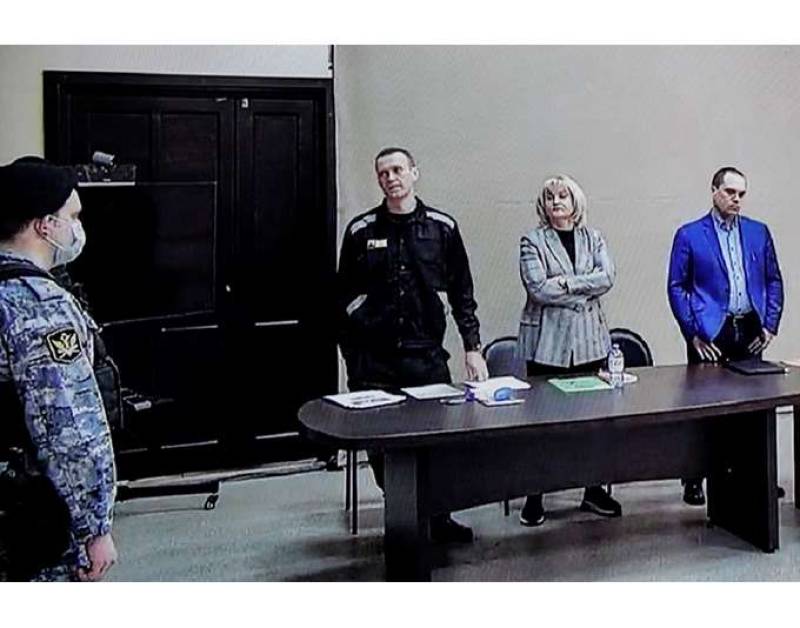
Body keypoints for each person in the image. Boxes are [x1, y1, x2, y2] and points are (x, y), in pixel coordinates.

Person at [337, 147, 489, 543]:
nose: (391, 178)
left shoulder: (442, 228)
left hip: (425, 357)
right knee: (382, 447)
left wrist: (473, 346)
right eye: (383, 173)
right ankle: (403, 518)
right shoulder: (360, 231)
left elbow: (462, 292)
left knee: (435, 442)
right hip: (375, 362)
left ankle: (438, 517)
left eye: (398, 170)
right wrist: (352, 357)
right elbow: (342, 300)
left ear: (414, 173)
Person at [0, 157, 117, 581]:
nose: (77, 228)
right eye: (73, 217)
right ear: (44, 225)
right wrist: (94, 526)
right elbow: (68, 426)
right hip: (29, 520)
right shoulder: (39, 306)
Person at [667, 166, 784, 506]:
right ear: (714, 191)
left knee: (753, 409)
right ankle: (694, 479)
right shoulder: (690, 235)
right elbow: (677, 286)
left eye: (742, 194)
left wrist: (770, 325)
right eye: (730, 192)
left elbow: (773, 279)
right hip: (710, 333)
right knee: (705, 407)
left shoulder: (758, 232)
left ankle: (756, 477)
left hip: (749, 328)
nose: (736, 199)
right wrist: (693, 333)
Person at [516, 174, 622, 526]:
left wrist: (564, 283)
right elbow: (538, 289)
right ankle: (535, 495)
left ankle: (593, 490)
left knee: (592, 423)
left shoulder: (594, 237)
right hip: (547, 345)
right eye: (550, 197)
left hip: (589, 341)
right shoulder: (532, 241)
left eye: (563, 196)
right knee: (543, 425)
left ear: (576, 201)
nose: (556, 202)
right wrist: (582, 289)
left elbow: (607, 278)